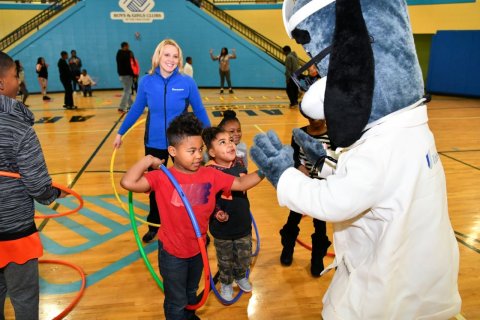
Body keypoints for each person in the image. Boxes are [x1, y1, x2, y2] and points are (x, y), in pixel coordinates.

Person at [120, 113, 264, 320]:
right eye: (192, 151)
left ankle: (189, 316)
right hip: (173, 254)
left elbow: (240, 184)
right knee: (176, 302)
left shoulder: (210, 174)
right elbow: (128, 182)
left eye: (201, 150)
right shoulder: (162, 177)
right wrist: (148, 160)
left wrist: (266, 170)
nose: (198, 155)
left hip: (198, 250)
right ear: (173, 151)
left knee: (190, 293)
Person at [113, 39, 211, 244]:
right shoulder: (147, 81)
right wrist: (120, 132)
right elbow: (137, 108)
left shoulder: (187, 82)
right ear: (158, 56)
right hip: (155, 143)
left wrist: (209, 136)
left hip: (182, 142)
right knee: (156, 187)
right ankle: (154, 225)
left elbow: (199, 110)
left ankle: (198, 226)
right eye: (167, 55)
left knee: (190, 186)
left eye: (175, 56)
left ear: (179, 59)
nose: (171, 60)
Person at [0, 51, 66, 320]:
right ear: (2, 84)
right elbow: (38, 186)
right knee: (24, 299)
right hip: (15, 229)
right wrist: (55, 193)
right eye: (16, 76)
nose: (19, 82)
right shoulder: (19, 126)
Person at [279, 115, 336, 277]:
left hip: (321, 189)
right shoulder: (299, 133)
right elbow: (293, 156)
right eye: (311, 116)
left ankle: (317, 259)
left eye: (318, 116)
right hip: (302, 188)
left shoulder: (333, 135)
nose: (314, 119)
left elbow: (337, 159)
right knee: (292, 220)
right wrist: (298, 166)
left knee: (320, 226)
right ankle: (287, 249)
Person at [202, 126, 254, 301]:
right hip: (222, 228)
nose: (230, 145)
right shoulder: (209, 171)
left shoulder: (239, 163)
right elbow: (207, 199)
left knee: (244, 255)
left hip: (243, 223)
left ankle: (240, 276)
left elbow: (243, 184)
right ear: (211, 152)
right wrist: (217, 212)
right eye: (222, 142)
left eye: (231, 141)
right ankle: (225, 281)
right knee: (225, 259)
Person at [116, 41, 134, 113]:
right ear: (124, 46)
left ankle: (131, 106)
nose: (128, 47)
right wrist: (133, 74)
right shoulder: (122, 54)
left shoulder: (122, 54)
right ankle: (121, 107)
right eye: (127, 46)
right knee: (127, 91)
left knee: (128, 91)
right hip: (126, 75)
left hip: (124, 75)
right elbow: (128, 65)